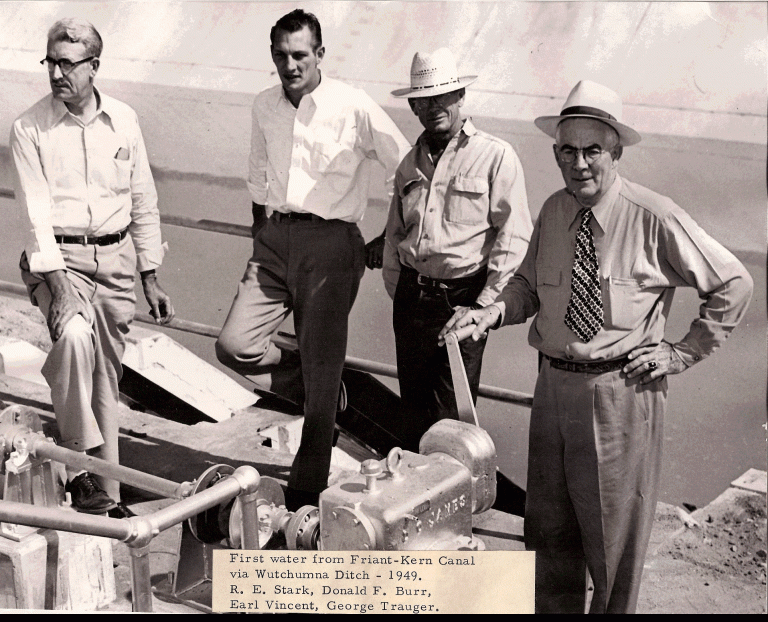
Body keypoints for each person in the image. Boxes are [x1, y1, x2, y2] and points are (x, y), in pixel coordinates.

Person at [440, 80, 753, 613]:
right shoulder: (554, 211)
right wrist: (492, 310)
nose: (579, 163)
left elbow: (734, 283)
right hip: (553, 391)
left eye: (593, 150)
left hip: (620, 396)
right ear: (556, 153)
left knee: (612, 548)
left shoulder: (653, 215)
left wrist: (681, 353)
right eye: (568, 150)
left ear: (616, 153)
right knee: (549, 542)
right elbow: (529, 287)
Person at [215, 9, 410, 510]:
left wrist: (386, 237)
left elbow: (406, 169)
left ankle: (306, 489)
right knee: (235, 345)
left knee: (323, 381)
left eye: (300, 54)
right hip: (275, 240)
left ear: (320, 54)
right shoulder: (264, 104)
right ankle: (318, 379)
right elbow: (258, 170)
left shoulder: (353, 105)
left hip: (331, 245)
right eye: (281, 55)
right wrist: (261, 225)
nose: (290, 64)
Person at [10, 18, 174, 519]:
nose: (57, 72)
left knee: (105, 377)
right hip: (60, 261)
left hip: (119, 259)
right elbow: (34, 216)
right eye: (51, 61)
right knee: (75, 339)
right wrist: (58, 286)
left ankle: (110, 502)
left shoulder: (125, 120)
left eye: (67, 63)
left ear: (94, 67)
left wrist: (150, 273)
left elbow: (143, 197)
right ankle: (80, 470)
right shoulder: (29, 128)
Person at [381, 48, 532, 450]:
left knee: (451, 421)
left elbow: (513, 239)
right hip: (412, 301)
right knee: (412, 416)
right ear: (413, 106)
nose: (434, 107)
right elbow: (395, 236)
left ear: (460, 96)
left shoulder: (495, 156)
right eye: (424, 99)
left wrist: (483, 307)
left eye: (442, 96)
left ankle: (451, 503)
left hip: (462, 304)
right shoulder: (408, 165)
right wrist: (405, 295)